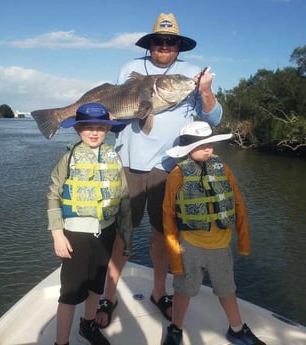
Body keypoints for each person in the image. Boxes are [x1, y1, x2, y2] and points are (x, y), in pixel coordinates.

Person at [96, 12, 223, 328]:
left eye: (170, 41)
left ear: (179, 46)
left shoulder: (193, 74)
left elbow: (213, 120)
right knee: (122, 234)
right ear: (150, 44)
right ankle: (108, 296)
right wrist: (104, 119)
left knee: (164, 235)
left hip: (170, 167)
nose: (164, 46)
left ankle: (158, 292)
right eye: (158, 41)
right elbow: (120, 119)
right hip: (129, 163)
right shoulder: (131, 69)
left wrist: (205, 90)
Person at [161, 121, 266, 345]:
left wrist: (243, 241)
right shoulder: (177, 175)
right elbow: (168, 215)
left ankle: (236, 328)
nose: (207, 148)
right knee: (183, 291)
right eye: (201, 145)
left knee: (227, 289)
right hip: (189, 246)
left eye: (209, 143)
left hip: (220, 245)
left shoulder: (224, 169)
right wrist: (175, 258)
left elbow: (238, 203)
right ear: (187, 149)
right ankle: (176, 328)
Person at [47, 103, 132, 345]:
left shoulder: (113, 157)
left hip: (105, 234)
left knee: (97, 286)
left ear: (107, 129)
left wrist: (126, 236)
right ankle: (61, 342)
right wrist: (57, 234)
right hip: (75, 236)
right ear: (78, 130)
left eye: (100, 128)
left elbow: (124, 197)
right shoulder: (68, 158)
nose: (94, 133)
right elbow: (53, 195)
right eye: (88, 128)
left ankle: (88, 325)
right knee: (71, 293)